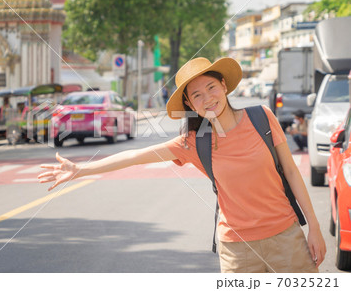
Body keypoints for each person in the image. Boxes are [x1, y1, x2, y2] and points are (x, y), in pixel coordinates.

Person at [37, 57, 326, 273]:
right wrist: (80, 170)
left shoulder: (261, 117)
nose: (207, 98)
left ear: (224, 86)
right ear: (190, 103)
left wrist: (313, 227)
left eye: (211, 87)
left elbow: (290, 171)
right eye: (197, 95)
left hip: (287, 239)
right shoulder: (193, 143)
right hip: (238, 251)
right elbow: (135, 156)